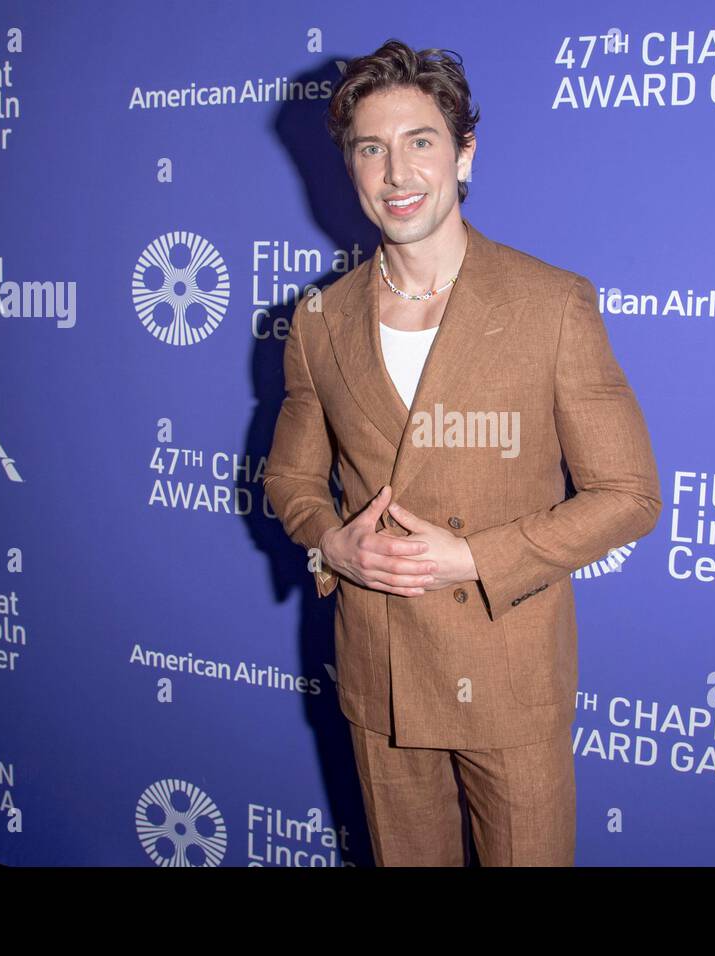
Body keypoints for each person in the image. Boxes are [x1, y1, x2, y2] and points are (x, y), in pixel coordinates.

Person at [264, 38, 661, 866]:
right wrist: (331, 542)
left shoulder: (551, 304)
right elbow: (292, 479)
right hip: (382, 678)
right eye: (371, 149)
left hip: (509, 677)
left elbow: (628, 493)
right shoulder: (318, 321)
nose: (397, 173)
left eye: (421, 142)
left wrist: (474, 558)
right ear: (349, 168)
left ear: (464, 153)